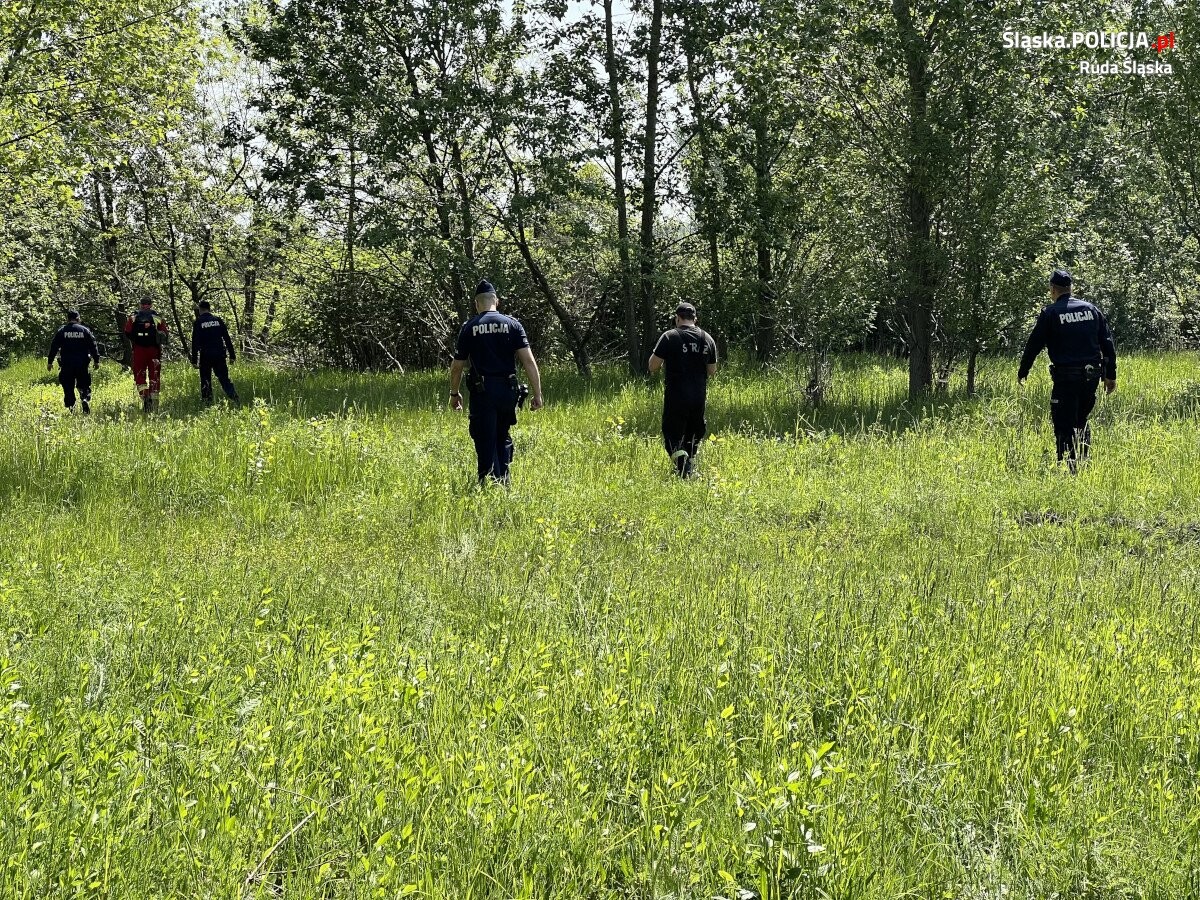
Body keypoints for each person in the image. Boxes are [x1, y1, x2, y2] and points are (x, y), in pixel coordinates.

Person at [1018, 269, 1118, 472]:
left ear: (1052, 289)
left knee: (1063, 421)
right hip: (1091, 377)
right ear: (1070, 288)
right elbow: (1107, 343)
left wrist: (1023, 370)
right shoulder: (1091, 309)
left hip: (1066, 379)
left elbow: (1034, 345)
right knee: (1081, 419)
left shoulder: (1051, 313)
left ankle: (1067, 467)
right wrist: (1111, 375)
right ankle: (1083, 462)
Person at [449, 280, 544, 484]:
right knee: (502, 435)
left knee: (485, 437)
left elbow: (457, 367)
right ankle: (504, 482)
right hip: (508, 391)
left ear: (476, 304)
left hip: (483, 392)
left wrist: (454, 394)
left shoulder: (469, 327)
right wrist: (537, 394)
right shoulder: (513, 324)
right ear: (497, 302)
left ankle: (490, 484)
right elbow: (528, 361)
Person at [648, 301, 718, 477]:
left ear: (677, 318)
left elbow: (652, 366)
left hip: (676, 396)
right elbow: (712, 370)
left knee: (672, 435)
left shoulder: (669, 337)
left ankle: (683, 467)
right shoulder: (707, 338)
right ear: (695, 319)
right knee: (693, 434)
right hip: (698, 396)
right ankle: (688, 468)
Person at [47, 309, 101, 414]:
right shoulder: (84, 330)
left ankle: (71, 408)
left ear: (67, 319)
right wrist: (96, 360)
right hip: (82, 363)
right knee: (84, 384)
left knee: (68, 386)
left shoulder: (62, 331)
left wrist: (50, 362)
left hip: (67, 364)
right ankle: (84, 398)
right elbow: (93, 346)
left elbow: (54, 347)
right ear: (78, 318)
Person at [124, 298, 170, 412]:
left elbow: (127, 332)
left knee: (139, 374)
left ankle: (145, 396)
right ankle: (154, 403)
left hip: (139, 350)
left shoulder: (133, 317)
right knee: (155, 375)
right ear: (151, 305)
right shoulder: (157, 317)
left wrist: (136, 340)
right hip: (154, 351)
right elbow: (165, 334)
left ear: (140, 305)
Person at [190, 300, 240, 403]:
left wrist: (194, 360)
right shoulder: (218, 320)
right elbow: (227, 338)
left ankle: (207, 403)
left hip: (206, 356)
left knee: (205, 380)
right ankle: (235, 399)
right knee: (224, 379)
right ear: (209, 309)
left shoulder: (198, 322)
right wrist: (232, 355)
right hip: (219, 355)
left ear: (200, 309)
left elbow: (195, 342)